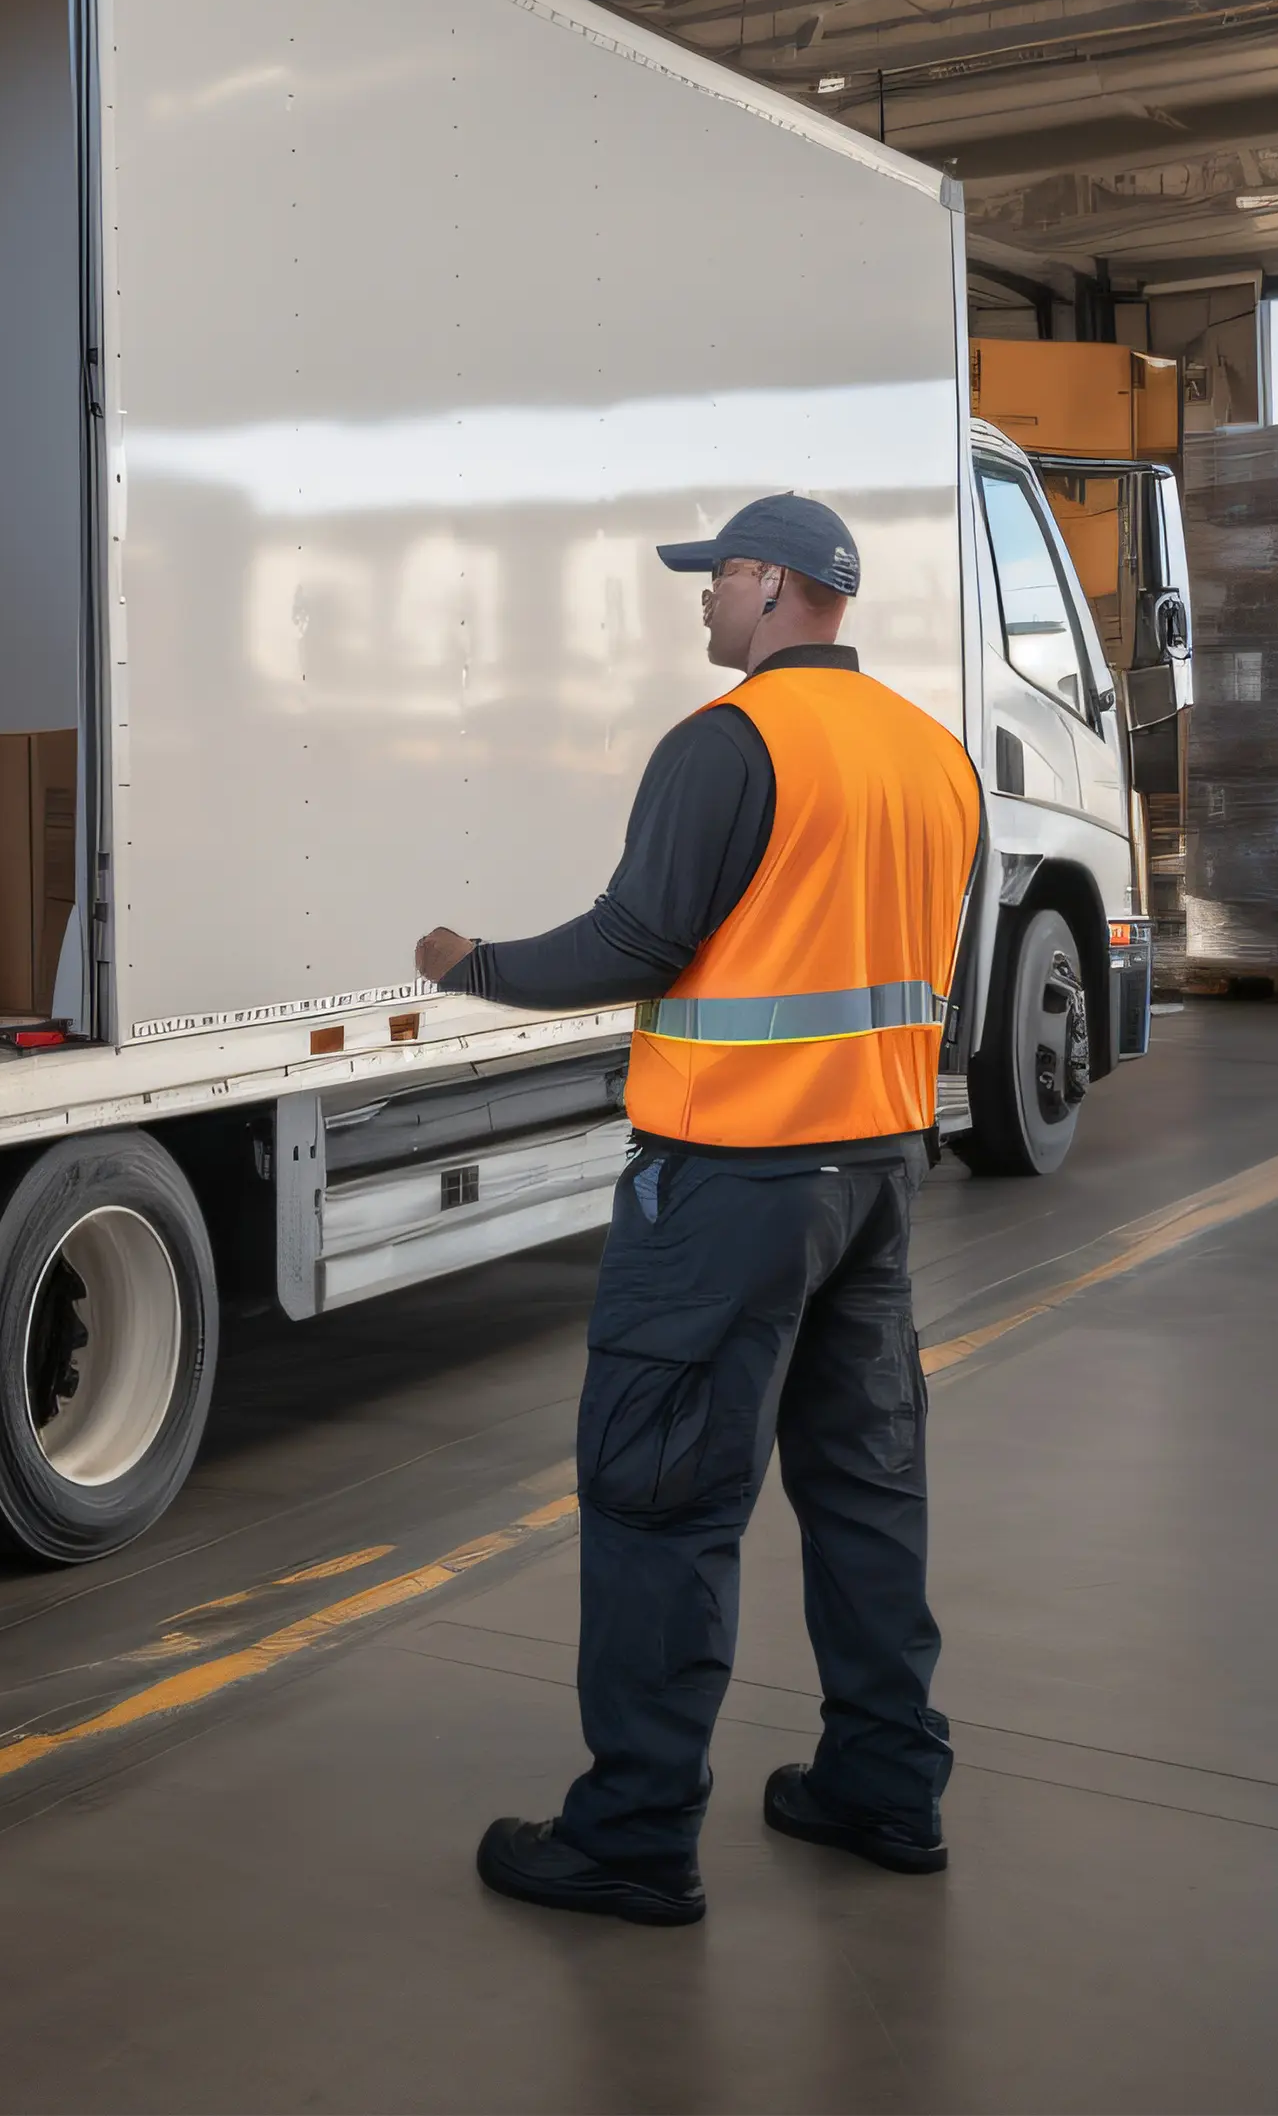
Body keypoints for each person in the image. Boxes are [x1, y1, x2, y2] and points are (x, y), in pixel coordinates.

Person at [413, 493, 982, 1928]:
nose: (702, 604)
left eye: (715, 578)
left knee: (661, 1495)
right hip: (876, 1178)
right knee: (865, 1483)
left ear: (779, 586)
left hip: (730, 1184)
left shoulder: (726, 746)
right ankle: (885, 1783)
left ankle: (635, 1833)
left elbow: (633, 941)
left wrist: (470, 961)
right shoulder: (935, 756)